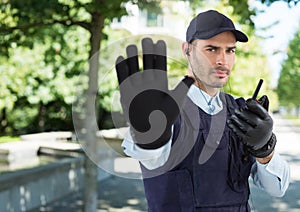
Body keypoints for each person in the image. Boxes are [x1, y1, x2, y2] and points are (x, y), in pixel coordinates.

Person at [115, 10, 290, 212]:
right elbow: (150, 157)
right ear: (187, 49)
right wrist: (150, 135)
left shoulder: (241, 113)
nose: (222, 60)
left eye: (230, 50)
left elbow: (278, 188)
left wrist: (264, 150)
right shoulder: (163, 110)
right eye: (211, 49)